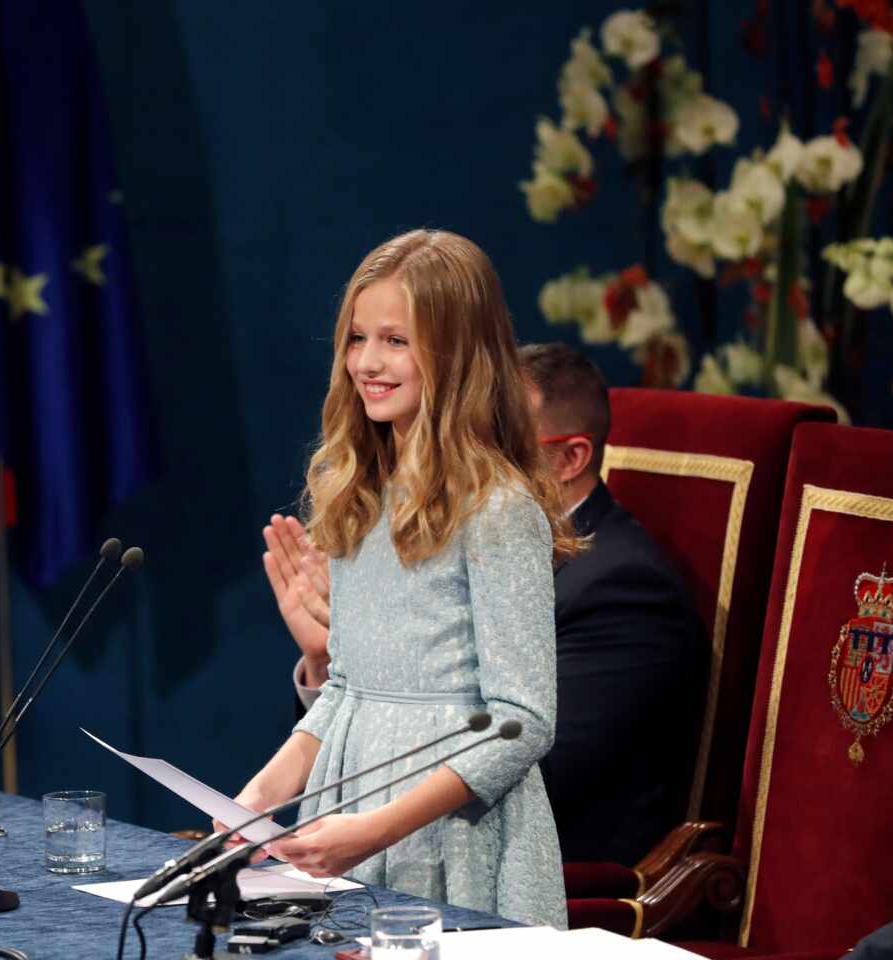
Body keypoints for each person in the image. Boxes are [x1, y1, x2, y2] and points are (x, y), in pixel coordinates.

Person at [230, 229, 574, 928]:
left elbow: (523, 721)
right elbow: (347, 688)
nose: (367, 362)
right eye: (357, 338)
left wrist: (380, 828)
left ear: (458, 355)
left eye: (396, 340)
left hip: (454, 839)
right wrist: (255, 800)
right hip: (349, 807)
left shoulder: (499, 510)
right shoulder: (356, 494)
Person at [267, 343, 707, 866]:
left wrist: (390, 663)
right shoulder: (459, 542)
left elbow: (525, 768)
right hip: (407, 846)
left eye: (492, 437)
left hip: (541, 877)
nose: (463, 454)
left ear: (569, 459)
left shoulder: (623, 592)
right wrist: (338, 660)